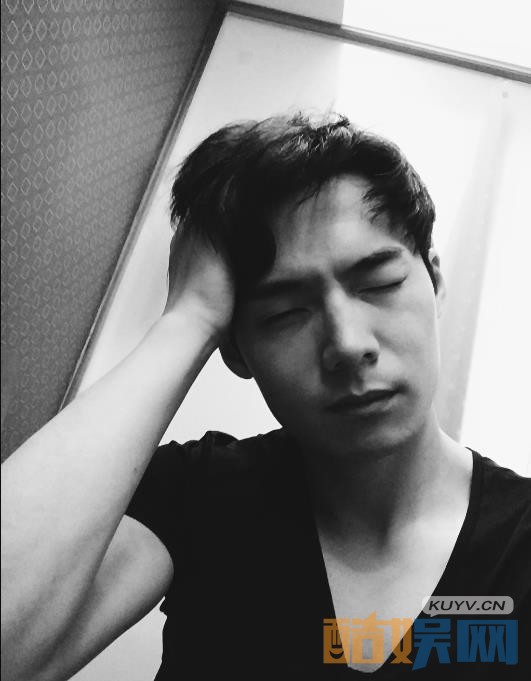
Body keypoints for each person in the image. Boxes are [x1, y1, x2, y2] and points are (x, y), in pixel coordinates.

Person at [1, 113, 530, 681]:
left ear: (435, 282)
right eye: (284, 312)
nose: (348, 344)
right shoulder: (201, 492)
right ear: (236, 351)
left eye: (379, 284)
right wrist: (188, 320)